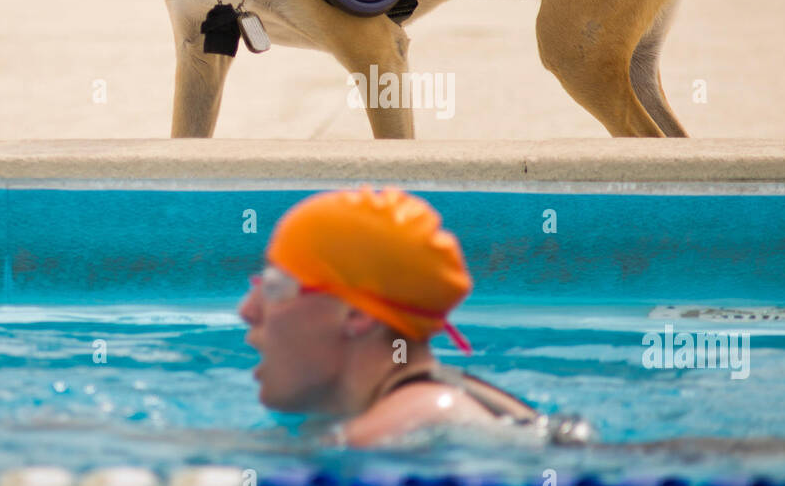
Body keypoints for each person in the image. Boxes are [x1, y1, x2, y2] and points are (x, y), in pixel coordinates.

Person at [238, 185, 592, 447]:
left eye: (276, 287)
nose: (247, 310)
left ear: (357, 314)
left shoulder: (414, 419)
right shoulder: (440, 400)